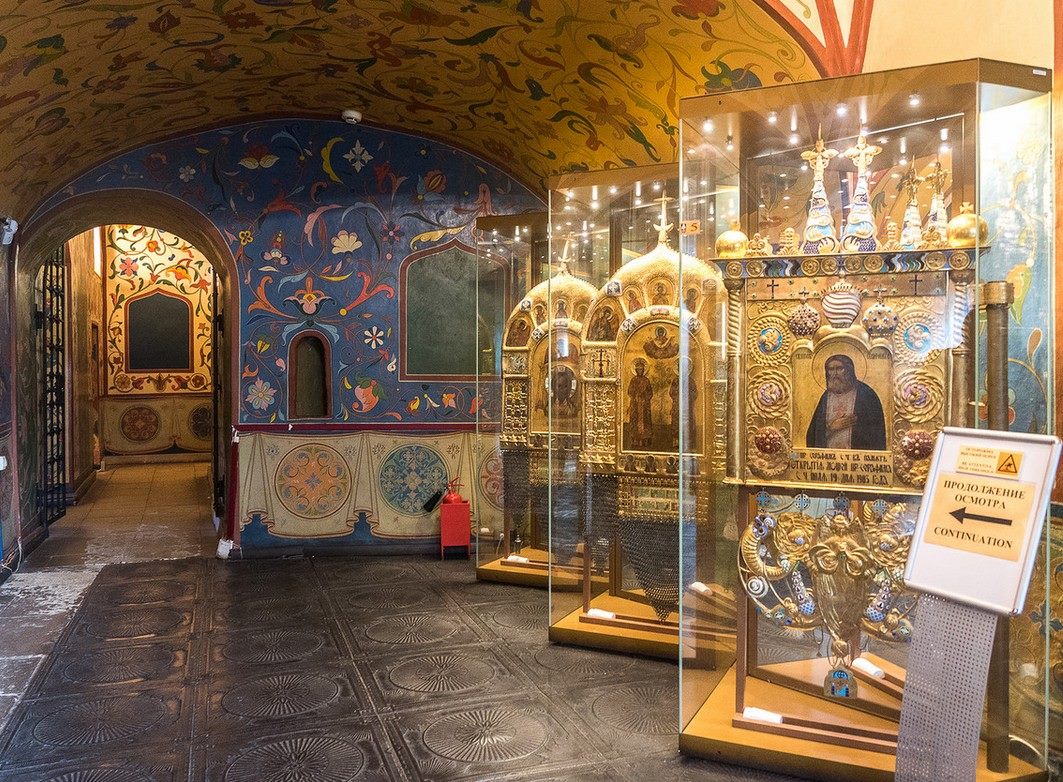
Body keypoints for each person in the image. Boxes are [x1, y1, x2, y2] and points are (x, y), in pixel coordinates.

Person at [806, 354, 886, 450]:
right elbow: (812, 434)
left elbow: (876, 433)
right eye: (831, 369)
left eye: (839, 368)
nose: (835, 374)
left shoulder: (866, 394)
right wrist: (830, 428)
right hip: (828, 456)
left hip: (857, 456)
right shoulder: (826, 397)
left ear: (849, 370)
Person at [627, 358, 654, 448]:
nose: (640, 371)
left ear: (643, 370)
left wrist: (644, 397)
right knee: (635, 421)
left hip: (644, 405)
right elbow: (629, 391)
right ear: (635, 370)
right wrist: (635, 396)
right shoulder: (633, 380)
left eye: (641, 369)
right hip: (635, 404)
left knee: (645, 421)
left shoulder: (646, 380)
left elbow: (650, 392)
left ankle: (645, 440)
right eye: (638, 369)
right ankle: (635, 441)